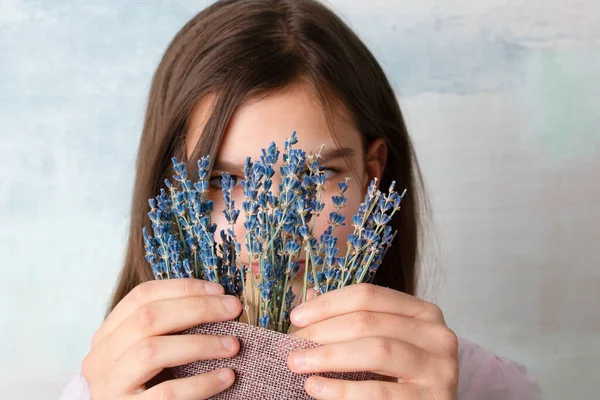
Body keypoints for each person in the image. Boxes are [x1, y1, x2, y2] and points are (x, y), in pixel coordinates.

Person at [60, 0, 542, 399]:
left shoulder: (477, 387)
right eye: (221, 180)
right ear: (171, 194)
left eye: (319, 175)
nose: (275, 229)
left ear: (372, 176)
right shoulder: (109, 387)